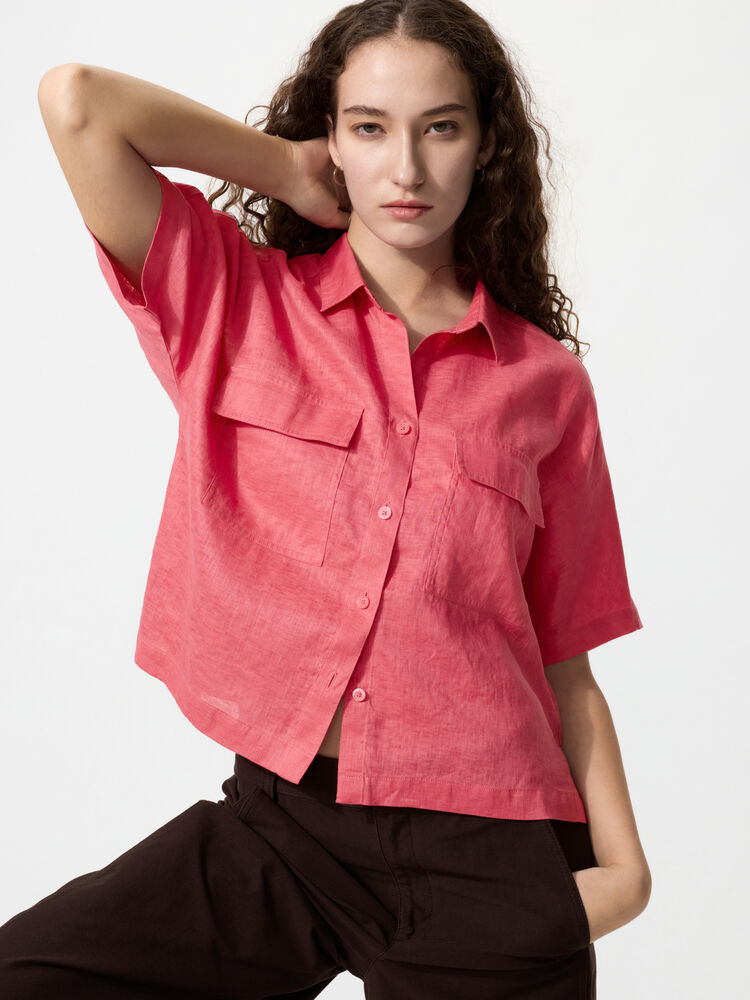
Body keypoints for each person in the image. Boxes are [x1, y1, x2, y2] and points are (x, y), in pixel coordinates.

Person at [2, 0, 651, 996]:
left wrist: (621, 874)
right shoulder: (237, 305)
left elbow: (564, 656)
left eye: (442, 126)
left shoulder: (544, 384)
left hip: (484, 853)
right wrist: (279, 167)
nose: (408, 167)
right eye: (369, 127)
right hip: (284, 828)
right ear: (331, 138)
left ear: (486, 146)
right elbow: (77, 102)